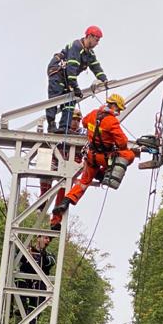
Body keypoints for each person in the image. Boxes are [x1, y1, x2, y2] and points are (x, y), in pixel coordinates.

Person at [50, 94, 139, 226]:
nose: (119, 112)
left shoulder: (93, 114)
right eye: (119, 109)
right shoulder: (111, 121)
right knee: (129, 155)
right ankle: (104, 176)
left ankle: (65, 201)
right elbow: (123, 142)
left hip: (91, 156)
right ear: (113, 105)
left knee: (83, 182)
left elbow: (85, 122)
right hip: (104, 157)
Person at [46, 26, 108, 134]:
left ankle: (64, 127)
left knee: (71, 100)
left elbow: (96, 67)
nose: (97, 43)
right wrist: (75, 87)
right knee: (55, 97)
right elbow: (71, 68)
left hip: (67, 76)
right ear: (89, 36)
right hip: (57, 72)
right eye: (96, 40)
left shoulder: (90, 54)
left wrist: (104, 80)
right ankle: (51, 125)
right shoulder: (76, 46)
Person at [15, 235, 55, 324]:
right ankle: (21, 306)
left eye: (49, 239)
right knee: (18, 280)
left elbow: (49, 262)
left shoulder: (49, 256)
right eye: (46, 238)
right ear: (38, 238)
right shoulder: (27, 251)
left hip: (39, 289)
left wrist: (42, 255)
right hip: (26, 284)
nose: (47, 241)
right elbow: (17, 258)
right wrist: (25, 252)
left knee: (32, 318)